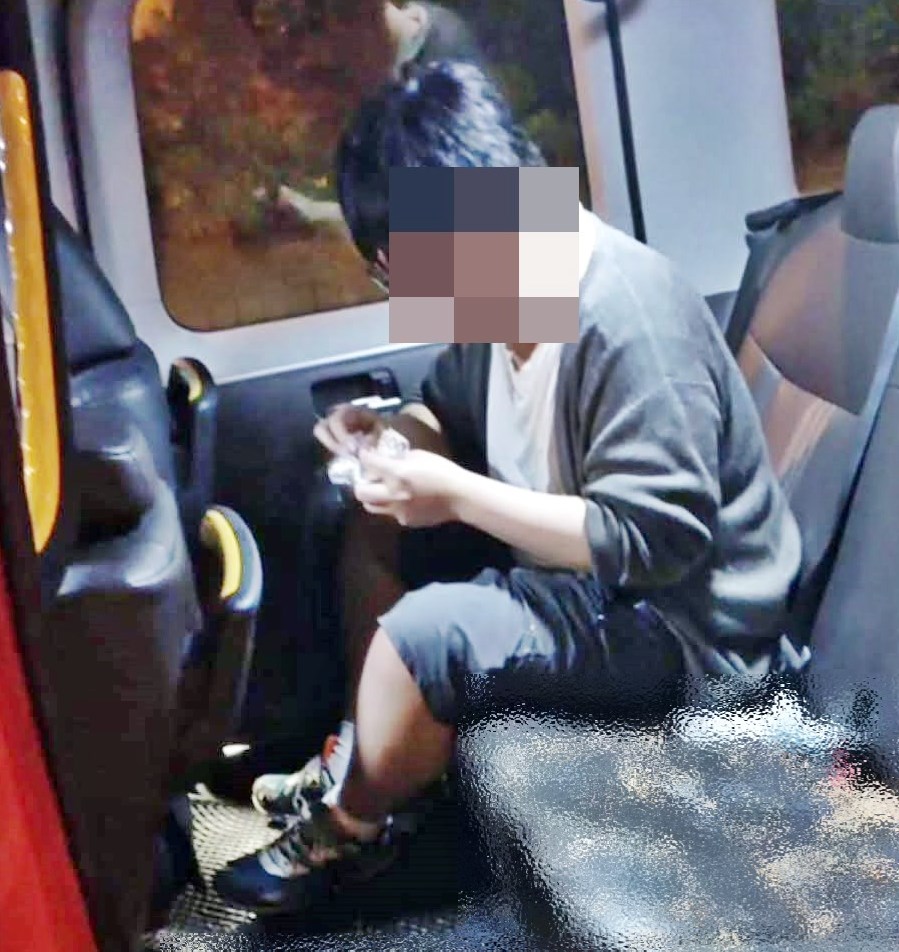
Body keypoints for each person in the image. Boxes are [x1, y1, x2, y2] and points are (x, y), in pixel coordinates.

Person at [214, 59, 803, 913]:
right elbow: (443, 412)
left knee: (430, 634)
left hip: (682, 628)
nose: (404, 292)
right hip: (589, 585)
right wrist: (391, 443)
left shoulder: (624, 313)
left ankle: (354, 829)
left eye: (399, 269)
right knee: (369, 525)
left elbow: (654, 541)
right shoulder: (500, 295)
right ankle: (362, 751)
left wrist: (453, 493)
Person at [272, 2, 489, 232]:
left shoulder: (446, 86)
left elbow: (480, 232)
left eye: (313, 27)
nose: (304, 58)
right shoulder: (385, 81)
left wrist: (323, 219)